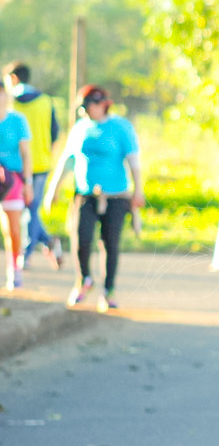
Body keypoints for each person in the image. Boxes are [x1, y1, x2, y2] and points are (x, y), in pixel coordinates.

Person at [43, 85, 144, 312]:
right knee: (81, 238)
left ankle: (108, 290)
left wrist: (139, 190)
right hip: (85, 195)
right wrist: (53, 189)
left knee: (110, 243)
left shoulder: (121, 127)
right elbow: (68, 160)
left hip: (116, 196)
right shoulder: (81, 128)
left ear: (101, 105)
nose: (85, 112)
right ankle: (84, 279)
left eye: (88, 107)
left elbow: (133, 161)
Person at [3, 61, 62, 269]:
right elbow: (55, 133)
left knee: (27, 210)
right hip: (42, 163)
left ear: (13, 78)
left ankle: (27, 254)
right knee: (31, 209)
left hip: (17, 167)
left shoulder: (9, 102)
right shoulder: (46, 100)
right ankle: (46, 243)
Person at [0, 82, 33, 290]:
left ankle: (14, 268)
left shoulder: (17, 120)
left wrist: (28, 183)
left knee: (13, 228)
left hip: (13, 180)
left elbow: (26, 153)